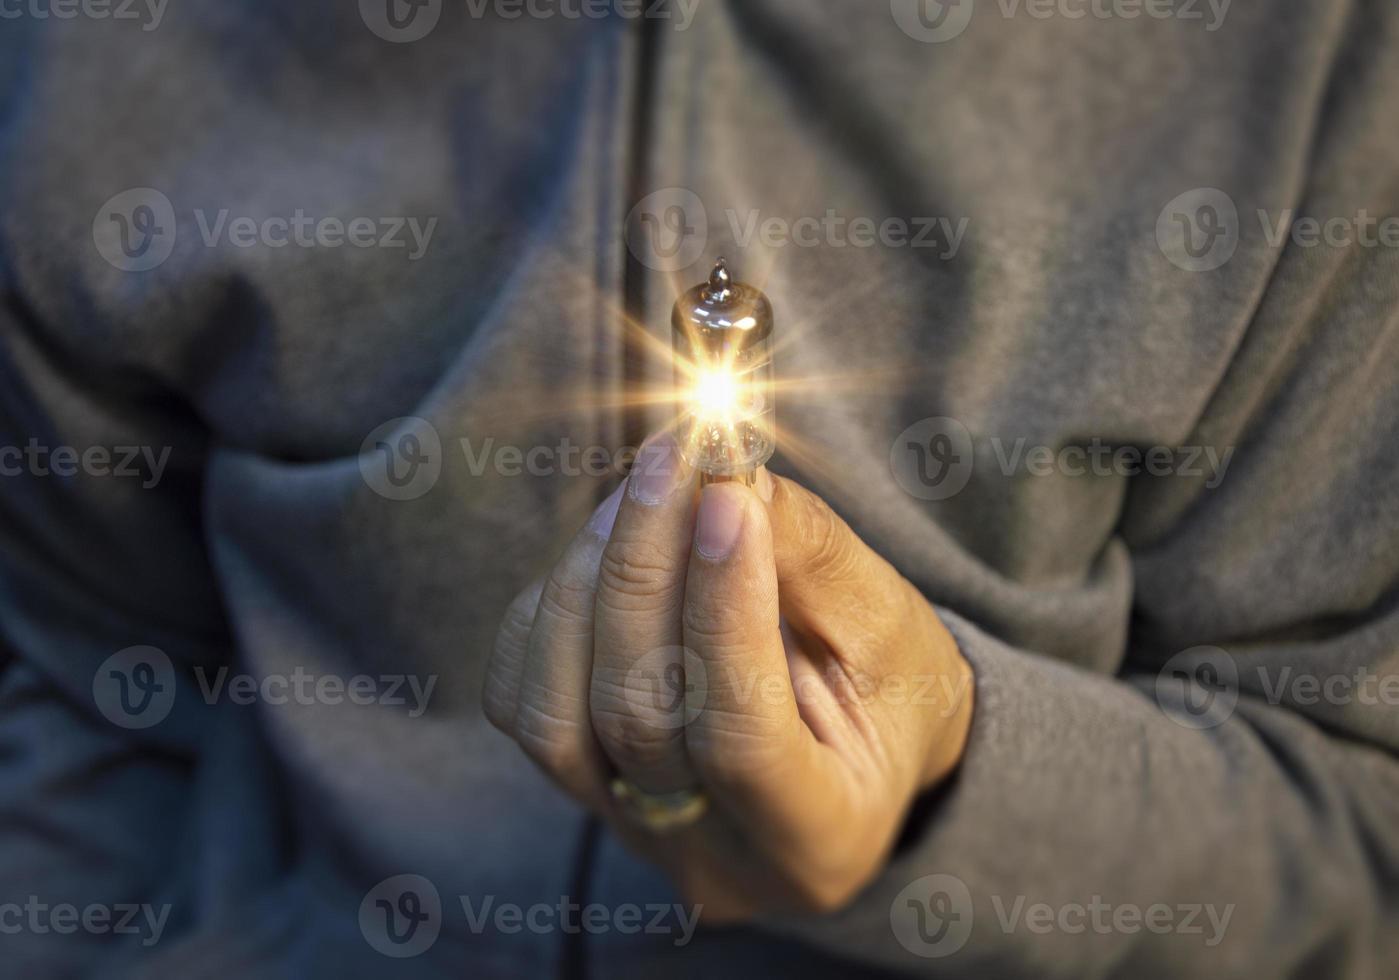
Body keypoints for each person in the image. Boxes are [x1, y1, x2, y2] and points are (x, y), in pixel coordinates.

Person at [0, 1, 1395, 976]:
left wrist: (957, 787)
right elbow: (85, 681)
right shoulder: (95, 46)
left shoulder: (1305, 55)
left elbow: (1356, 832)